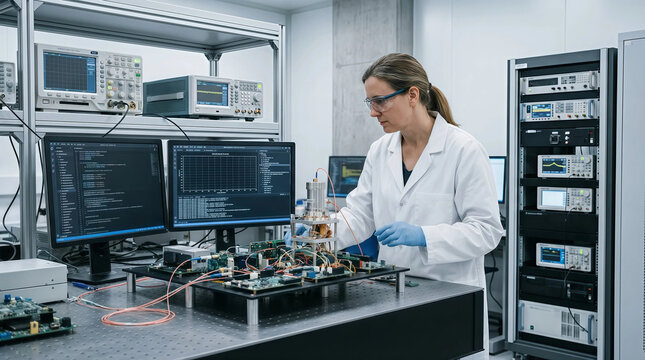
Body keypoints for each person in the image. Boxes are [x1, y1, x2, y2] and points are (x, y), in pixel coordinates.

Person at [335, 53, 503, 359]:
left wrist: (424, 235)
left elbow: (486, 231)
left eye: (380, 101)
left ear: (412, 95)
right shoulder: (379, 150)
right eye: (369, 103)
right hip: (392, 292)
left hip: (448, 295)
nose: (373, 112)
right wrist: (321, 233)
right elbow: (360, 215)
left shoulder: (463, 149)